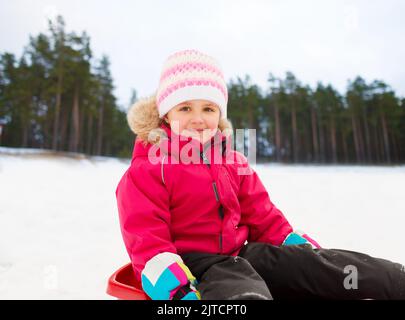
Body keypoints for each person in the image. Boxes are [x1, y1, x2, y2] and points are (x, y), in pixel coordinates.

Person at [116, 49, 405, 300]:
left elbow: (262, 216)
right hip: (194, 268)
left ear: (220, 114)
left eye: (208, 108)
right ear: (166, 114)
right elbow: (146, 238)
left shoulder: (234, 162)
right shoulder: (151, 170)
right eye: (185, 107)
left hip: (242, 255)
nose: (198, 118)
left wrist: (299, 253)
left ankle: (395, 280)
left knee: (323, 268)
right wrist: (172, 285)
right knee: (242, 290)